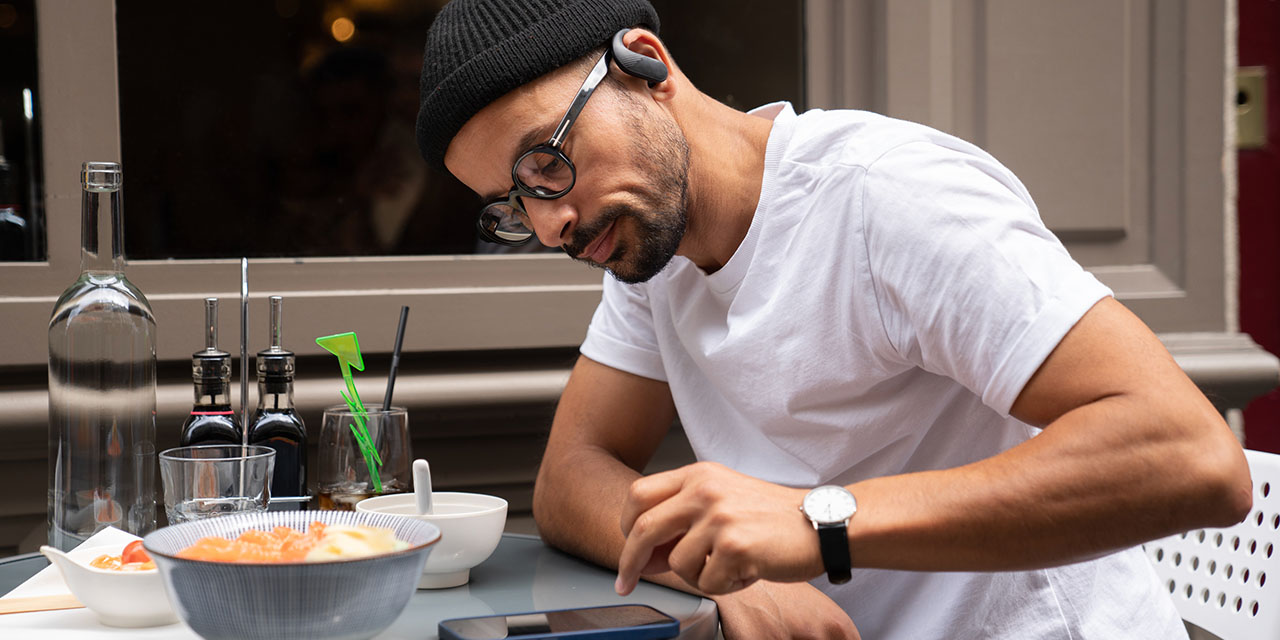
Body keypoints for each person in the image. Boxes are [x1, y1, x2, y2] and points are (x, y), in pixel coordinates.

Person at [414, 1, 1254, 638]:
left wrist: (819, 523)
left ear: (645, 66)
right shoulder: (645, 246)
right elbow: (569, 480)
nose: (551, 223)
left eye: (544, 161)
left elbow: (1191, 457)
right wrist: (728, 574)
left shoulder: (886, 197)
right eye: (513, 204)